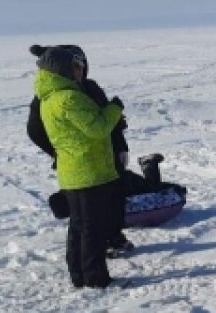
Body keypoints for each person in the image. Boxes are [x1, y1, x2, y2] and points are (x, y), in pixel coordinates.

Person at [28, 44, 135, 257]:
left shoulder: (90, 87)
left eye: (81, 64)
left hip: (107, 155)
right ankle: (93, 261)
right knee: (88, 216)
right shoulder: (53, 96)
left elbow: (108, 121)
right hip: (81, 161)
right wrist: (62, 151)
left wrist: (121, 145)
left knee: (114, 200)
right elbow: (36, 131)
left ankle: (113, 236)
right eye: (75, 64)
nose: (80, 69)